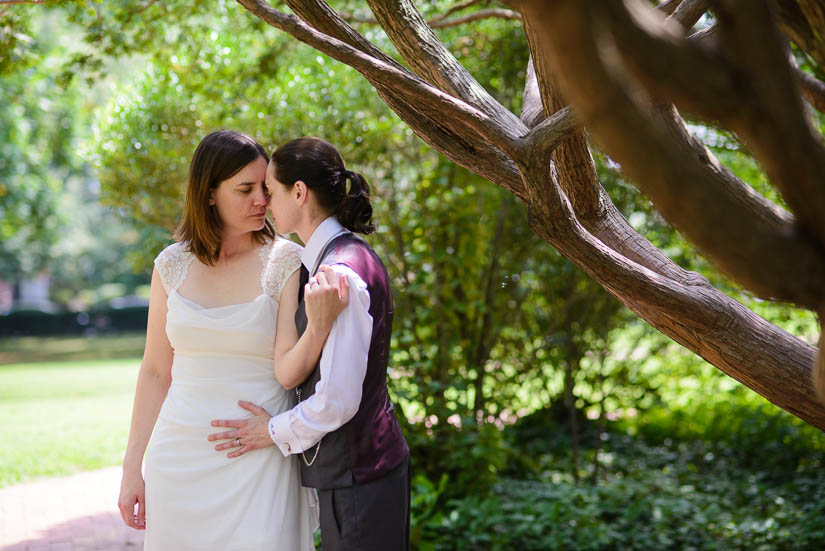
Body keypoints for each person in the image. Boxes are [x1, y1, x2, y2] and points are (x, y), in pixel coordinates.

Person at [117, 130, 348, 550]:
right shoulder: (170, 266)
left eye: (265, 186)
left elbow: (291, 365)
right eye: (245, 189)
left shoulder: (286, 261)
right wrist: (133, 467)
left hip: (259, 457)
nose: (262, 199)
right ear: (208, 194)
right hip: (179, 458)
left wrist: (318, 327)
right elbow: (154, 371)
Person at [209, 137, 410, 551]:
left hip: (360, 476)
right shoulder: (337, 258)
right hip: (360, 474)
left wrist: (271, 431)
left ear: (298, 192)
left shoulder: (339, 275)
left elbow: (337, 399)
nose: (264, 201)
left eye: (270, 188)